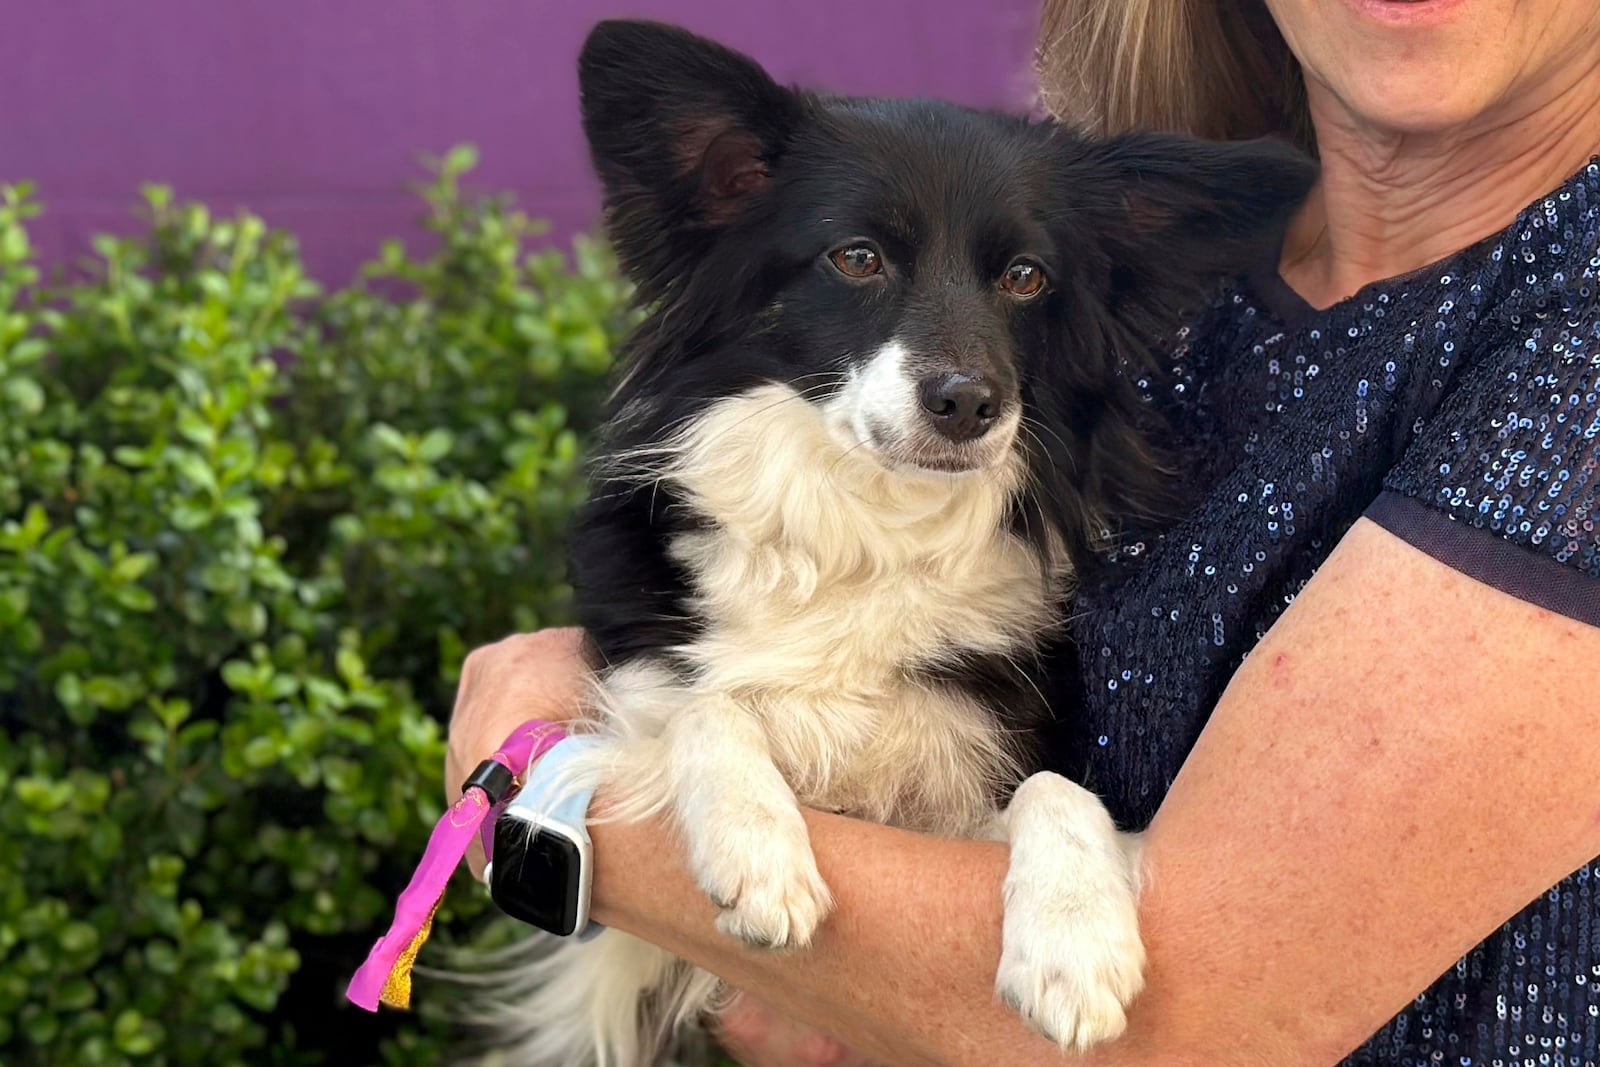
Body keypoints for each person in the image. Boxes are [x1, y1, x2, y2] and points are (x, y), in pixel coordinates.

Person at [444, 0, 1600, 1063]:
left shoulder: (1571, 335)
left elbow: (1198, 1023)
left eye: (1020, 280)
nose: (966, 356)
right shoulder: (1193, 304)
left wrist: (550, 790)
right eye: (861, 258)